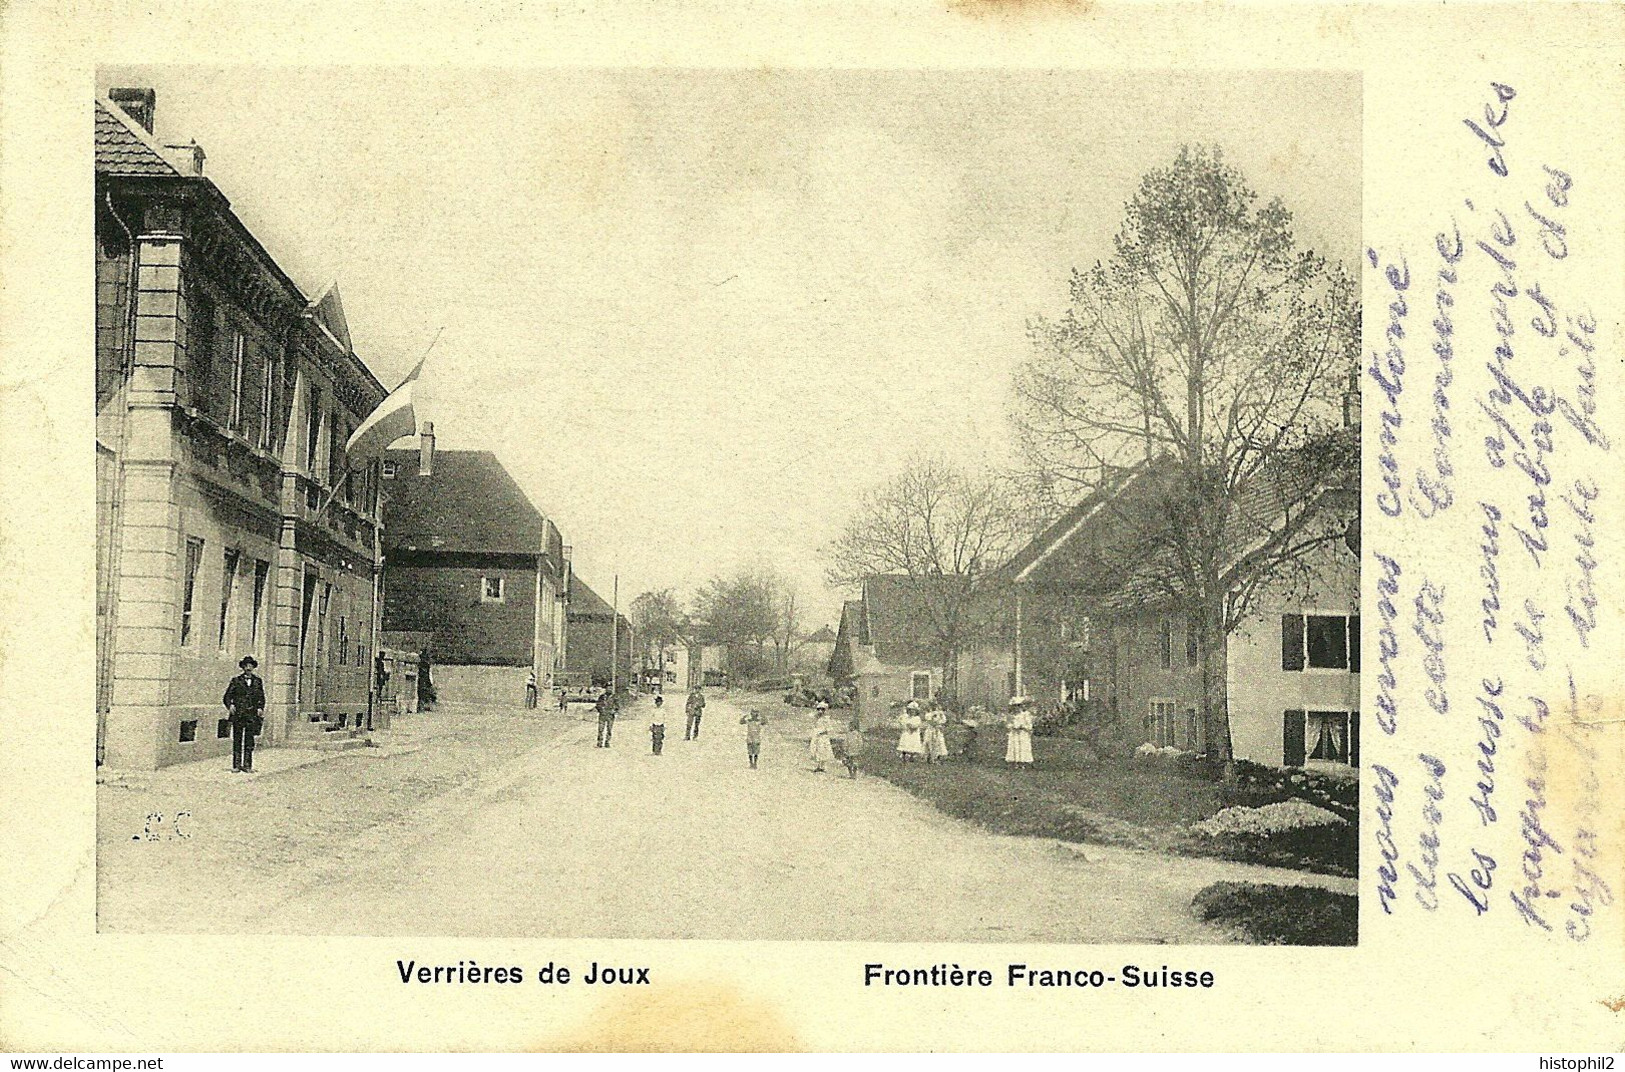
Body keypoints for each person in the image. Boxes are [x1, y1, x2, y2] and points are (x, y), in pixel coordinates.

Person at [222, 655, 266, 773]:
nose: (248, 668)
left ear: (253, 667)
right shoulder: (236, 681)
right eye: (246, 666)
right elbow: (227, 696)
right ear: (243, 667)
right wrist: (230, 705)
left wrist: (260, 708)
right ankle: (236, 765)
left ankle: (247, 765)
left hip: (251, 715)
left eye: (250, 666)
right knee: (237, 739)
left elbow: (261, 697)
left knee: (249, 740)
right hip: (239, 714)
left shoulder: (257, 681)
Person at [1004, 696, 1035, 767]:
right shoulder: (1011, 716)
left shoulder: (1025, 714)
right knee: (1015, 746)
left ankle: (1023, 762)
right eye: (1014, 706)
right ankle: (1015, 762)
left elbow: (1029, 725)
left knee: (1023, 746)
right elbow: (1008, 724)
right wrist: (1012, 726)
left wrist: (1023, 726)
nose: (1016, 708)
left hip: (1023, 733)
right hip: (1014, 733)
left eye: (1018, 706)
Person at [808, 702, 834, 773]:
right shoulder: (817, 718)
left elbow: (829, 728)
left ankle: (823, 766)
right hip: (817, 736)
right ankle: (819, 766)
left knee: (823, 751)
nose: (820, 711)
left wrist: (822, 732)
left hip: (823, 737)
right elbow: (811, 717)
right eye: (819, 709)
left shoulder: (826, 719)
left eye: (822, 709)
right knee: (817, 750)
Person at [840, 714, 863, 779]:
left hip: (855, 750)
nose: (850, 727)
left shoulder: (857, 734)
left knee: (854, 763)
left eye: (851, 726)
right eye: (849, 726)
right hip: (849, 750)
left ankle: (854, 774)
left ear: (854, 727)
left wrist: (860, 748)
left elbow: (860, 742)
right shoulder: (848, 734)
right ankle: (851, 774)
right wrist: (844, 748)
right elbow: (845, 742)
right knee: (849, 763)